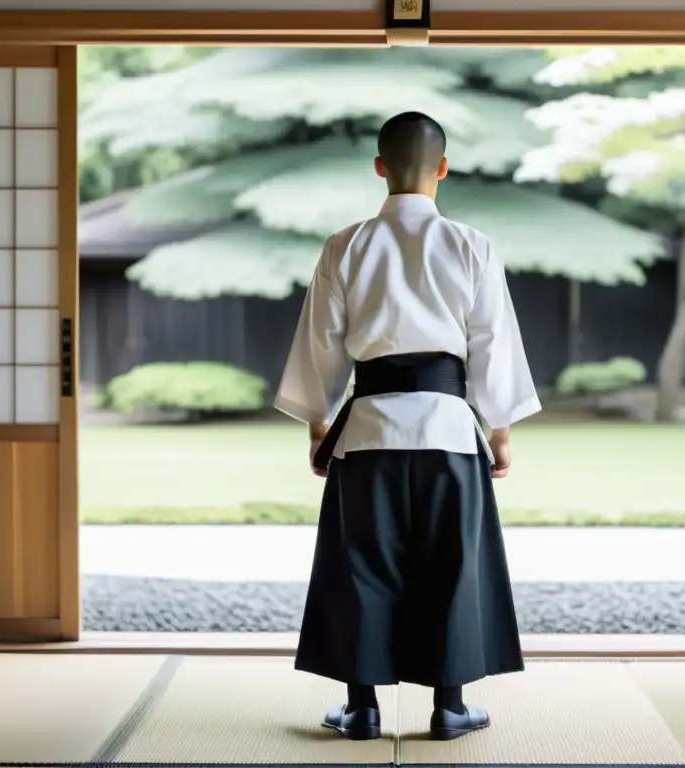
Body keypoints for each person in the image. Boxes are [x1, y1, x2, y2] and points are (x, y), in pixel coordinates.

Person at [274, 111, 541, 742]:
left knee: (362, 566)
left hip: (367, 433)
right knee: (450, 563)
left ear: (379, 168)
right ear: (443, 168)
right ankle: (449, 706)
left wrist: (317, 426)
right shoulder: (472, 244)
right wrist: (500, 431)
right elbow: (492, 344)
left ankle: (361, 707)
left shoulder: (346, 244)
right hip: (450, 431)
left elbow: (321, 345)